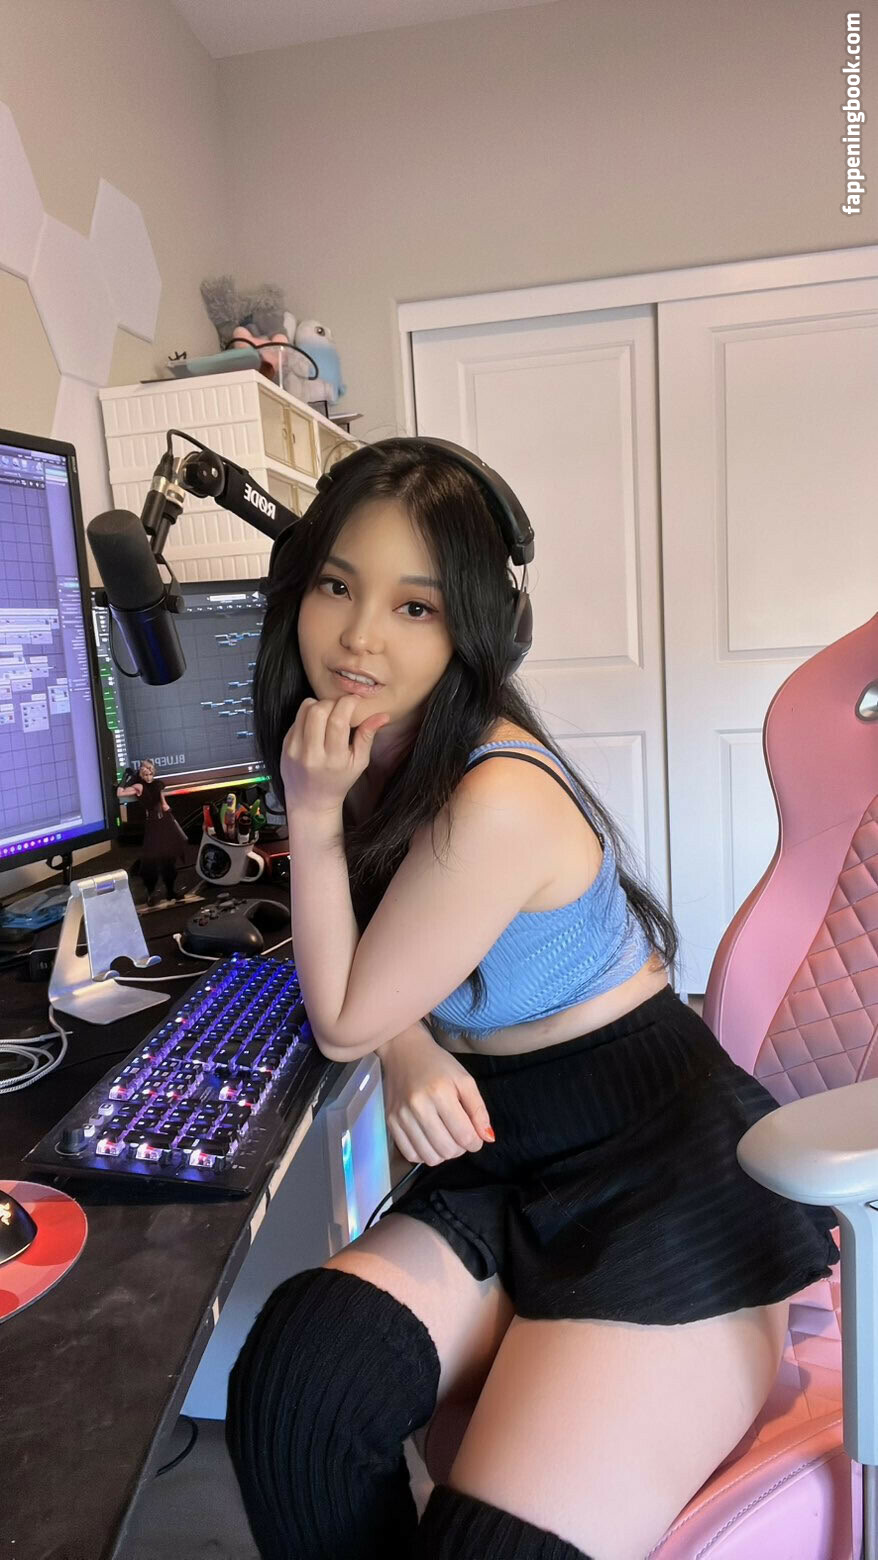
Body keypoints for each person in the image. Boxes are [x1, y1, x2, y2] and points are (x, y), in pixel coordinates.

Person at [225, 439, 840, 1560]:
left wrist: (309, 822)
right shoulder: (375, 748)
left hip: (658, 1165)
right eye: (337, 586)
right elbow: (381, 979)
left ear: (478, 628)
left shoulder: (494, 794)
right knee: (297, 1394)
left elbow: (345, 1014)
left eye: (415, 607)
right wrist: (410, 1044)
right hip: (503, 1150)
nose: (360, 637)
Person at [116, 759, 188, 906]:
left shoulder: (157, 784)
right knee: (151, 859)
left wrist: (166, 808)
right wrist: (126, 778)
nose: (149, 777)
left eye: (150, 774)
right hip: (153, 823)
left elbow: (164, 803)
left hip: (165, 820)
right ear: (142, 775)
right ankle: (151, 894)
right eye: (146, 774)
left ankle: (170, 891)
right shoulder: (139, 786)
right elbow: (120, 793)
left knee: (169, 856)